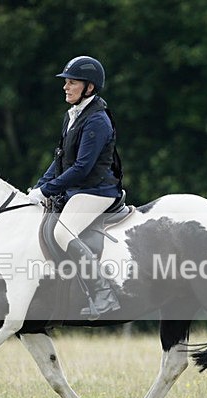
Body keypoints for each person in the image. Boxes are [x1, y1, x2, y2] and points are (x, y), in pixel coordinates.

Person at [28, 55, 122, 319]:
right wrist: (38, 187)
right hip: (79, 189)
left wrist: (47, 191)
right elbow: (60, 160)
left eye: (72, 83)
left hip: (98, 191)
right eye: (66, 82)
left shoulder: (97, 121)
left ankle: (103, 295)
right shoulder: (73, 116)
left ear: (89, 88)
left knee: (63, 232)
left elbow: (82, 167)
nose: (65, 87)